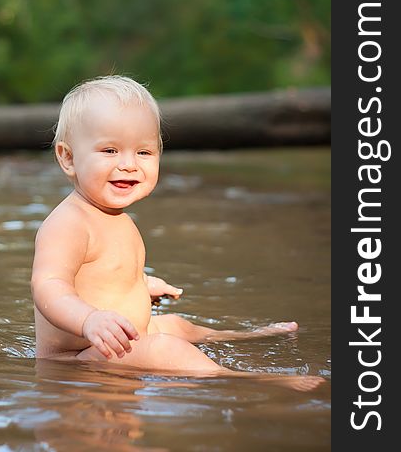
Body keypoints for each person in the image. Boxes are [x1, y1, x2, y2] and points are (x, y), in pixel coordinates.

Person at [31, 76, 323, 391]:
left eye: (143, 153)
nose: (129, 164)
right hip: (77, 358)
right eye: (110, 150)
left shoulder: (117, 217)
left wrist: (140, 286)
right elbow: (48, 285)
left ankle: (240, 335)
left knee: (174, 325)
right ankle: (247, 379)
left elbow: (102, 275)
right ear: (68, 157)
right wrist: (89, 320)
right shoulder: (69, 223)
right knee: (165, 348)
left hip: (114, 341)